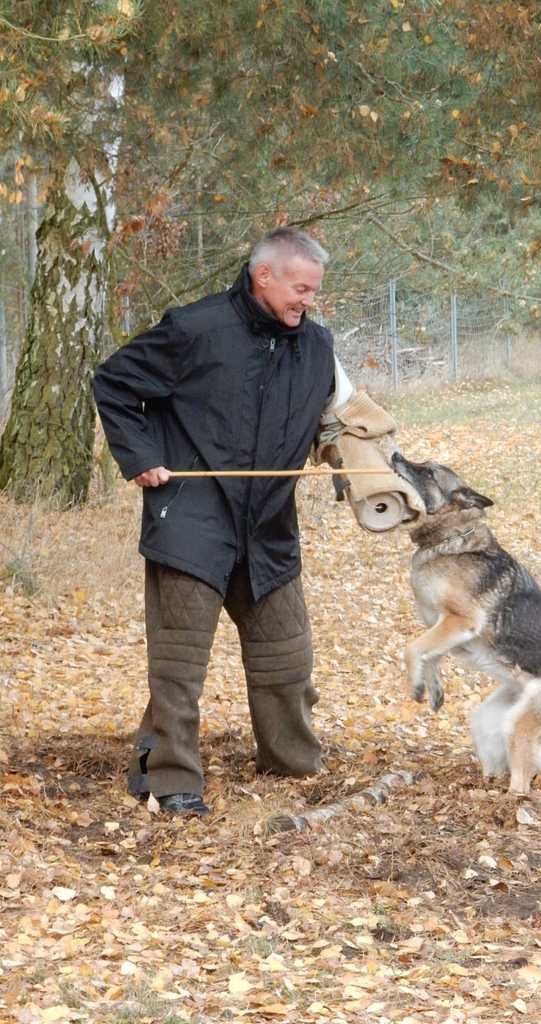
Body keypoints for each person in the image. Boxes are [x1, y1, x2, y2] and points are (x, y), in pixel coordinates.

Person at [94, 228, 360, 816]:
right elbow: (113, 382)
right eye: (300, 288)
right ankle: (166, 779)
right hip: (191, 520)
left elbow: (340, 419)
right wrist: (139, 458)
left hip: (269, 528)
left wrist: (348, 460)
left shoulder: (315, 345)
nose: (307, 301)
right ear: (264, 275)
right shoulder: (194, 329)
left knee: (287, 659)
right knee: (179, 668)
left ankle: (291, 762)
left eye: (314, 291)